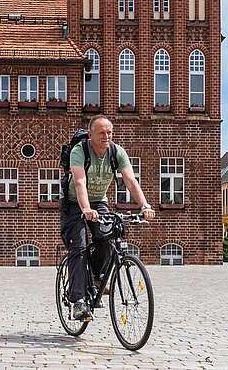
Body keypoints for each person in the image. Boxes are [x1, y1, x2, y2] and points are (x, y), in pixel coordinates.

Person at [63, 116, 155, 320]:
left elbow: (130, 180)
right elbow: (79, 182)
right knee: (78, 246)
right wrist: (85, 209)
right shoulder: (80, 151)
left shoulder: (116, 152)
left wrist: (144, 205)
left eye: (109, 132)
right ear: (91, 134)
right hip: (74, 203)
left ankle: (96, 278)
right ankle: (78, 301)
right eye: (102, 133)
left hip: (99, 201)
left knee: (108, 237)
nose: (107, 136)